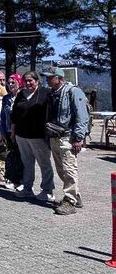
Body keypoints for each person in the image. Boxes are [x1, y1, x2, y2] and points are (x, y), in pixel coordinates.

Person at [42, 68, 89, 215]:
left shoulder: (73, 92)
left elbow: (82, 116)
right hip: (54, 136)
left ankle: (70, 202)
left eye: (50, 78)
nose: (47, 80)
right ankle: (75, 196)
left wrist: (78, 138)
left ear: (59, 78)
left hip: (68, 137)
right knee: (61, 169)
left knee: (69, 169)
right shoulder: (52, 93)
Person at [11, 71, 55, 202]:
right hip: (21, 135)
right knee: (27, 163)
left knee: (44, 163)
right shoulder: (21, 94)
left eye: (31, 80)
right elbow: (14, 114)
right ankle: (27, 188)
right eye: (26, 81)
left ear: (37, 81)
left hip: (38, 136)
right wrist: (13, 132)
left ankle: (48, 190)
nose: (28, 83)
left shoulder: (45, 93)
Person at [0, 74, 24, 190]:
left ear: (19, 83)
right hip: (9, 130)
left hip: (22, 131)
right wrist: (2, 131)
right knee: (11, 155)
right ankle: (12, 179)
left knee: (22, 156)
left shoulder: (24, 96)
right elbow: (3, 116)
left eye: (13, 82)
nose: (11, 85)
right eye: (9, 83)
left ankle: (22, 180)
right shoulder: (6, 98)